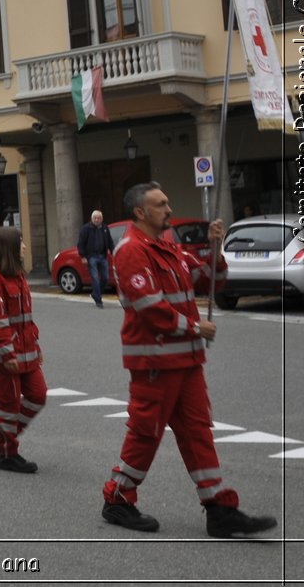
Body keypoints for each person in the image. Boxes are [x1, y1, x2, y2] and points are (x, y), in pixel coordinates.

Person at [101, 182, 276, 538]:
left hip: (185, 362)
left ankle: (218, 508)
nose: (168, 208)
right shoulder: (131, 250)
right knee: (145, 434)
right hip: (155, 364)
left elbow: (210, 280)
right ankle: (117, 499)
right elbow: (148, 307)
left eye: (167, 202)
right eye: (160, 204)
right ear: (140, 212)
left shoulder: (169, 247)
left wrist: (215, 250)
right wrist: (195, 327)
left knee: (198, 432)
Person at [0, 225, 44, 473]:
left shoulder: (18, 275)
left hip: (26, 350)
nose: (25, 247)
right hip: (5, 354)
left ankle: (4, 435)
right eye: (21, 242)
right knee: (9, 404)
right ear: (9, 247)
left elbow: (26, 319)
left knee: (38, 395)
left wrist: (36, 346)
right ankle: (8, 453)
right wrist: (7, 353)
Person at [77, 209, 114, 307]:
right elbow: (81, 244)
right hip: (92, 257)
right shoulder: (85, 229)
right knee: (95, 278)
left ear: (102, 219)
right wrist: (83, 256)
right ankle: (99, 300)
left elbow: (110, 241)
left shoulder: (105, 228)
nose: (97, 220)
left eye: (99, 218)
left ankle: (95, 294)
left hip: (103, 256)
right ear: (91, 218)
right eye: (95, 218)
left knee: (105, 278)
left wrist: (113, 251)